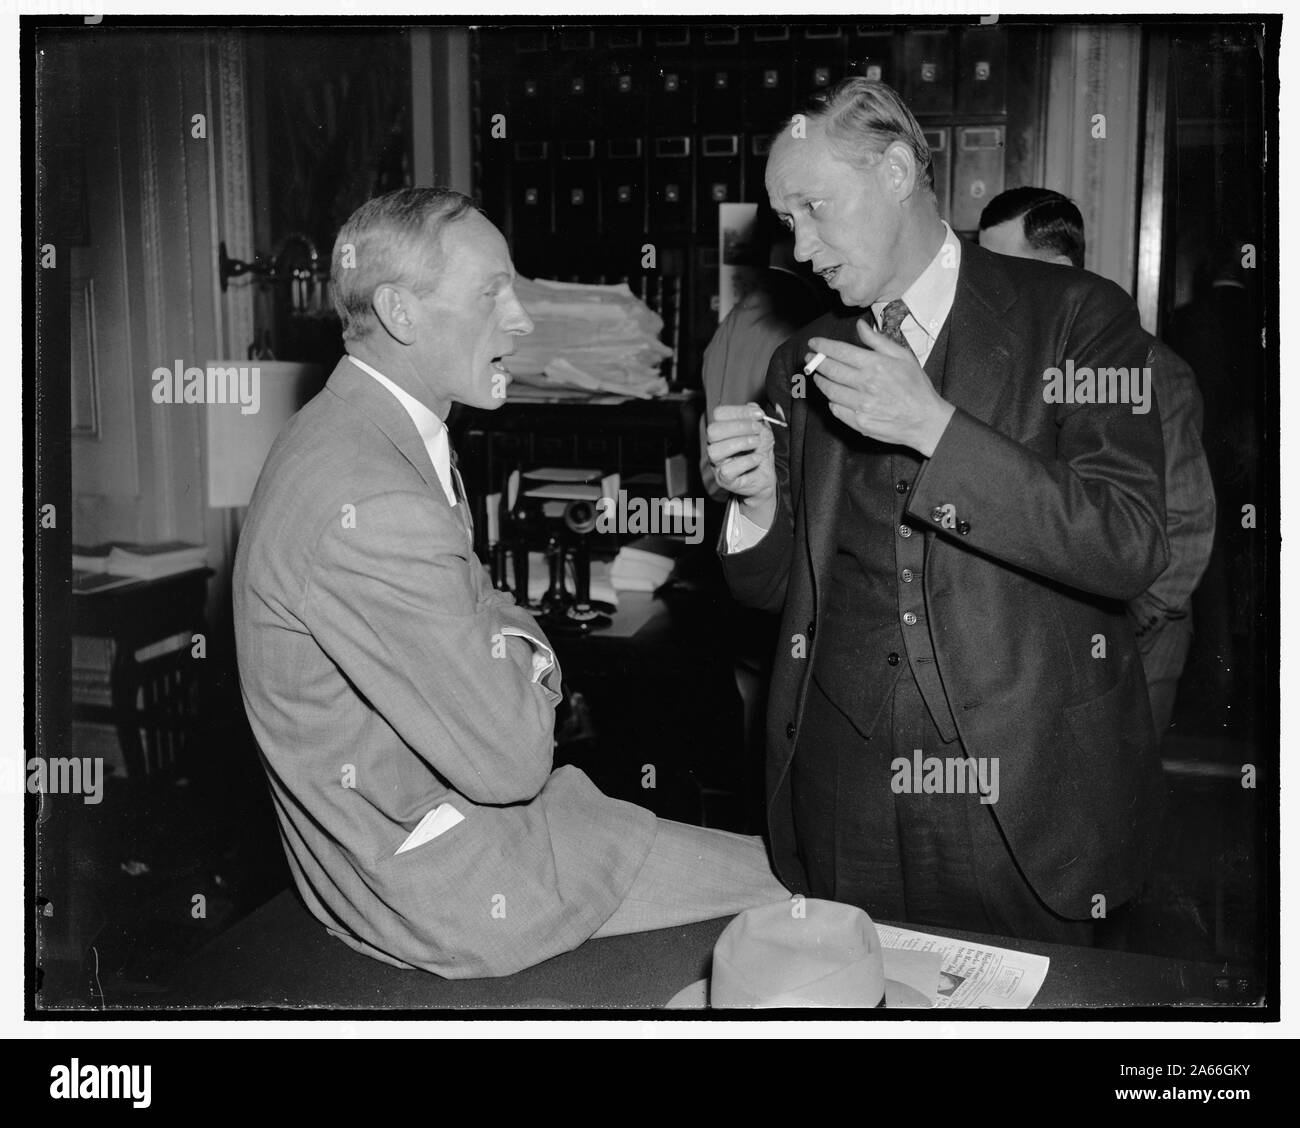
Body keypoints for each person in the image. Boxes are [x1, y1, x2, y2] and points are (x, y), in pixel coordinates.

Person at [233, 188, 788, 980]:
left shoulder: (357, 430)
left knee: (763, 861)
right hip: (445, 882)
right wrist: (528, 647)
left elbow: (479, 608)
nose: (521, 320)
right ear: (400, 311)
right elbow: (512, 758)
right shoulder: (375, 496)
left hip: (421, 837)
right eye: (491, 293)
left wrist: (498, 633)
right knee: (798, 882)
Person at [706, 80, 1169, 945]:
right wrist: (757, 505)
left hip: (1019, 793)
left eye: (813, 208)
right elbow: (773, 598)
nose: (800, 246)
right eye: (785, 218)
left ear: (893, 171)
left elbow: (1129, 541)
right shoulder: (805, 358)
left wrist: (934, 428)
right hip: (842, 787)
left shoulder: (1081, 318)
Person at [978, 187, 1216, 736]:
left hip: (1135, 643)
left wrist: (1111, 626)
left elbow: (1185, 527)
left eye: (1003, 267)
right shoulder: (1012, 360)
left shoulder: (1151, 368)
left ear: (1060, 271)